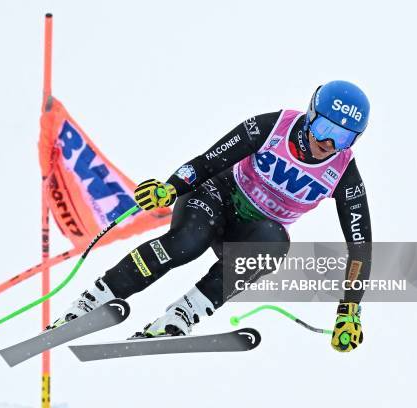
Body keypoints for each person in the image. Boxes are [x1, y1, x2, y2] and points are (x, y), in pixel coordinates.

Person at [51, 80, 372, 352]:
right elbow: (206, 162)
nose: (328, 143)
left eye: (343, 138)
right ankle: (93, 300)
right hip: (215, 196)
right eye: (324, 128)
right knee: (188, 242)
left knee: (275, 243)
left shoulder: (343, 173)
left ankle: (180, 316)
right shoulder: (272, 127)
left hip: (246, 233)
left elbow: (360, 247)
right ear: (310, 115)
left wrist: (350, 307)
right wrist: (170, 188)